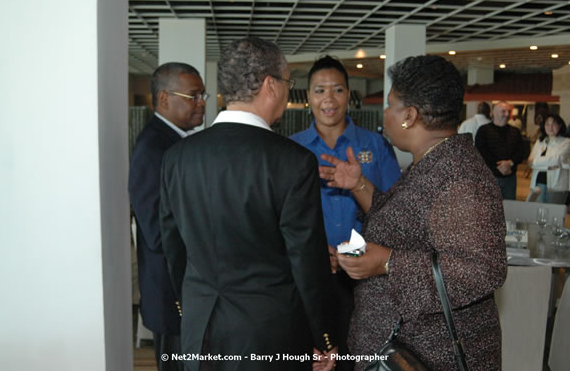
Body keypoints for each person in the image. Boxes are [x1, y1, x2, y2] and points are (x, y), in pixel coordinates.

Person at [159, 37, 337, 371]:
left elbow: (173, 247)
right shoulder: (293, 161)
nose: (287, 92)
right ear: (271, 85)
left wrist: (192, 305)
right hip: (269, 333)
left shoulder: (177, 158)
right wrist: (323, 336)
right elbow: (306, 261)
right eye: (288, 83)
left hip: (199, 328)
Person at [319, 55, 507, 371]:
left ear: (409, 115)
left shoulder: (460, 177)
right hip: (404, 350)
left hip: (430, 356)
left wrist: (388, 262)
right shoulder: (433, 162)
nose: (385, 113)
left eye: (391, 105)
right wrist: (360, 185)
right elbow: (405, 225)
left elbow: (483, 271)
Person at [289, 55, 401, 371]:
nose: (329, 99)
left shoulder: (375, 146)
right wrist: (310, 250)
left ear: (349, 95)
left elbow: (395, 212)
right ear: (308, 97)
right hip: (312, 275)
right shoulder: (292, 150)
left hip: (367, 275)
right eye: (319, 90)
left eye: (337, 90)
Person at [128, 62, 208, 371]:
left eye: (203, 94)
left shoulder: (176, 142)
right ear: (164, 99)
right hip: (172, 295)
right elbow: (157, 232)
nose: (202, 102)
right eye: (193, 95)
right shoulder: (154, 148)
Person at [475, 101, 524, 199]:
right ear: (493, 113)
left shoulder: (515, 132)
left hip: (510, 178)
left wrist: (510, 163)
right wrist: (498, 166)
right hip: (489, 177)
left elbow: (521, 152)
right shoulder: (483, 131)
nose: (507, 114)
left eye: (508, 112)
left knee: (509, 208)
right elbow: (480, 153)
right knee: (490, 208)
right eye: (503, 111)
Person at [527, 114, 570, 204]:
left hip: (557, 186)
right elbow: (529, 162)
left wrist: (536, 162)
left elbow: (557, 160)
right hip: (538, 184)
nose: (550, 127)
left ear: (560, 125)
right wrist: (548, 167)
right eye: (547, 124)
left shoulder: (567, 142)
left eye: (553, 124)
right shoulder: (540, 142)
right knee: (538, 214)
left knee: (554, 214)